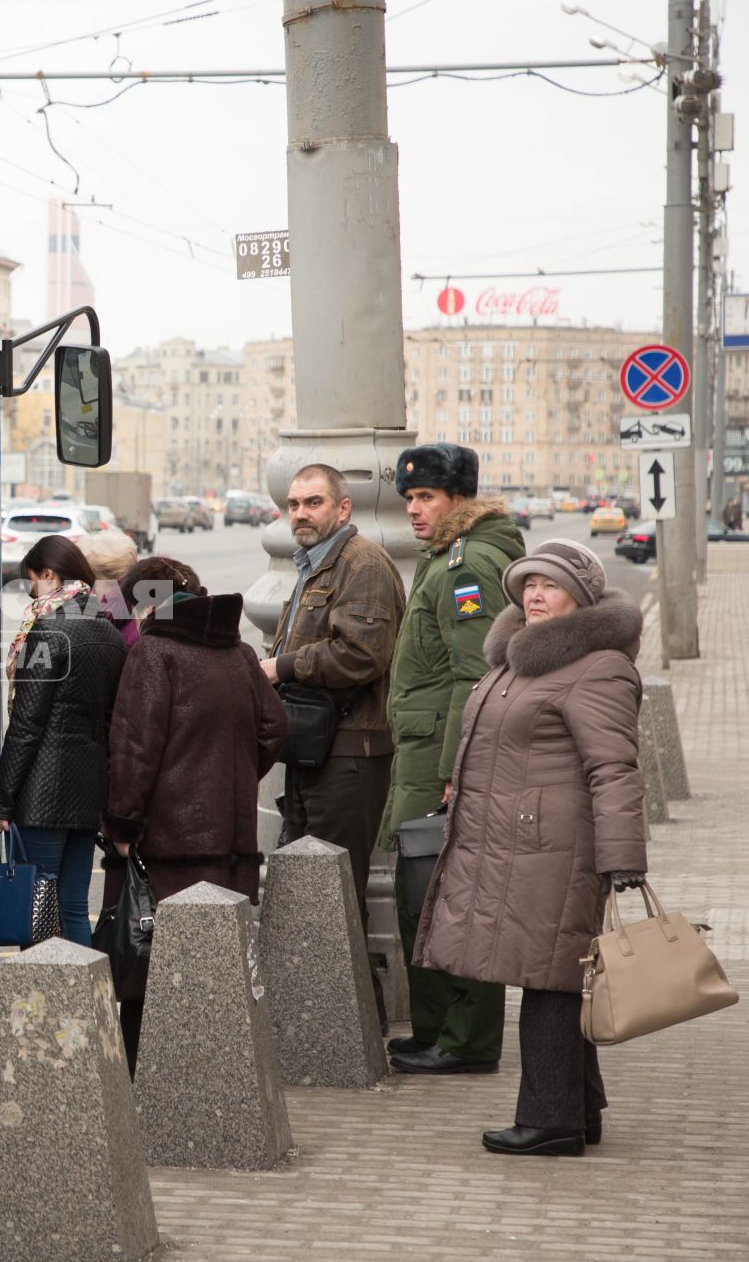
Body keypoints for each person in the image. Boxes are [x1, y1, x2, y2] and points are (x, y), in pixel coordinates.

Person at [414, 540, 645, 1155]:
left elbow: (615, 768)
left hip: (559, 845)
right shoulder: (519, 658)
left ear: (583, 595)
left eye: (551, 584)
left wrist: (623, 858)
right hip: (514, 841)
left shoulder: (598, 665)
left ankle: (550, 1121)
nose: (535, 595)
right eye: (529, 584)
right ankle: (580, 1109)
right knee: (558, 973)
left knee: (551, 977)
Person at [102, 560, 286, 1072]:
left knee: (149, 969)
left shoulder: (154, 653)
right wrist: (231, 779)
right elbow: (276, 727)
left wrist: (122, 824)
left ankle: (148, 1080)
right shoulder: (242, 654)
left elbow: (135, 748)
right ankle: (214, 1080)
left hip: (167, 849)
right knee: (216, 969)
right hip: (228, 847)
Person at [379, 443, 526, 1075]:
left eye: (426, 498)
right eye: (409, 498)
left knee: (444, 896)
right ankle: (439, 1027)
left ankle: (464, 1039)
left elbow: (475, 674)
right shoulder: (448, 558)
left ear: (459, 501)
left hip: (439, 757)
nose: (414, 510)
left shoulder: (466, 568)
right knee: (426, 892)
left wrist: (450, 773)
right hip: (423, 750)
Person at [264, 463, 407, 919]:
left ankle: (351, 994)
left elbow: (362, 655)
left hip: (350, 756)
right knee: (310, 897)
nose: (300, 514)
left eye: (313, 502)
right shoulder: (314, 564)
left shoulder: (361, 564)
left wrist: (282, 666)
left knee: (335, 903)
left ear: (343, 509)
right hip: (314, 749)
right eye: (293, 504)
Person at [0, 534, 125, 947]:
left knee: (38, 908)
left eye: (32, 581)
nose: (30, 591)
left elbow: (26, 724)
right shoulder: (109, 634)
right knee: (73, 908)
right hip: (88, 790)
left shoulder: (47, 630)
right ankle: (81, 1006)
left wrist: (1, 797)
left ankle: (40, 1008)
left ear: (48, 575)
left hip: (44, 792)